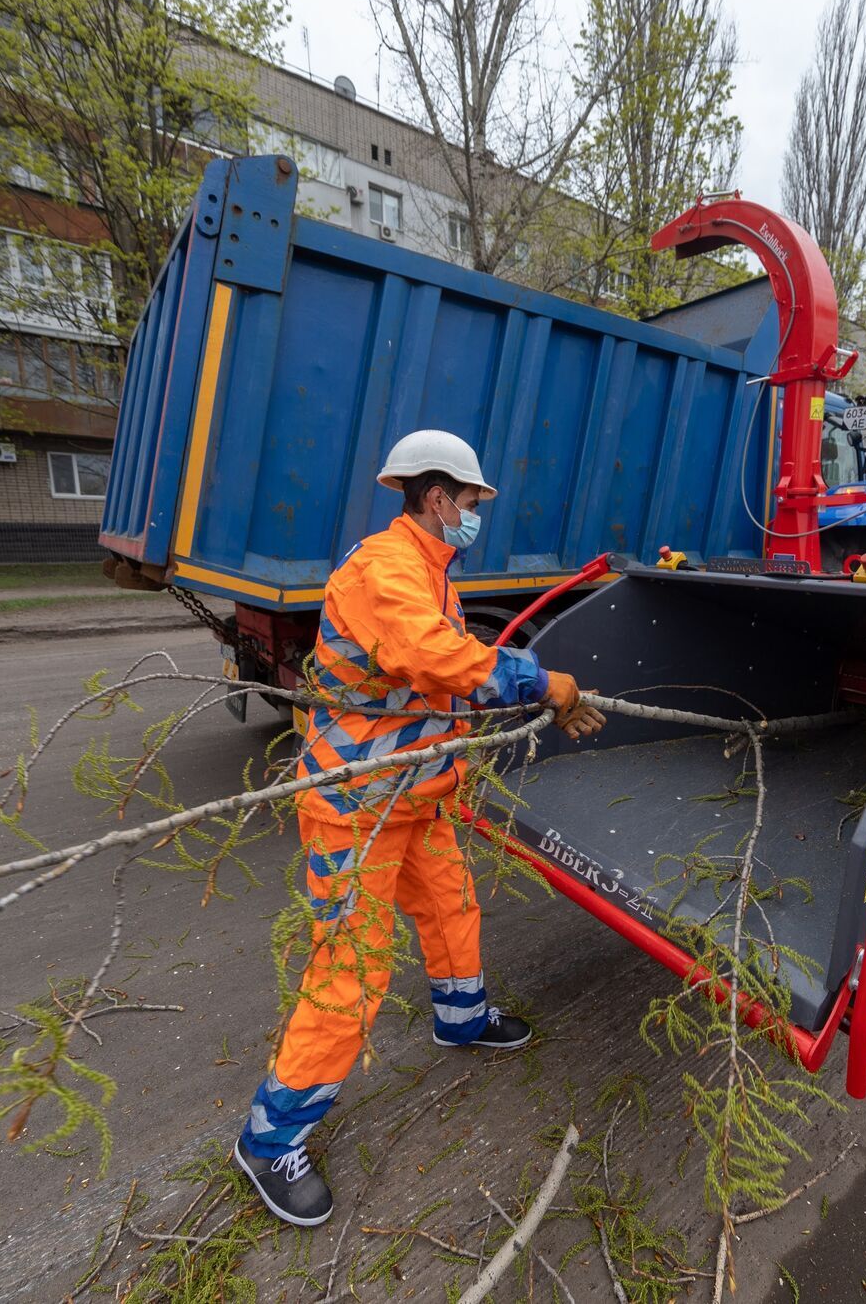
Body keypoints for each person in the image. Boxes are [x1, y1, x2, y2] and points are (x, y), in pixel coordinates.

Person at [234, 429, 607, 1227]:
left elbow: (439, 683)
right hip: (355, 809)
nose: (476, 516)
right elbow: (438, 658)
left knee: (449, 903)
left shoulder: (434, 570)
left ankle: (461, 1015)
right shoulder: (384, 570)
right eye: (471, 503)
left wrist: (528, 708)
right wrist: (544, 683)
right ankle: (269, 1138)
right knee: (353, 971)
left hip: (413, 796)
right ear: (437, 497)